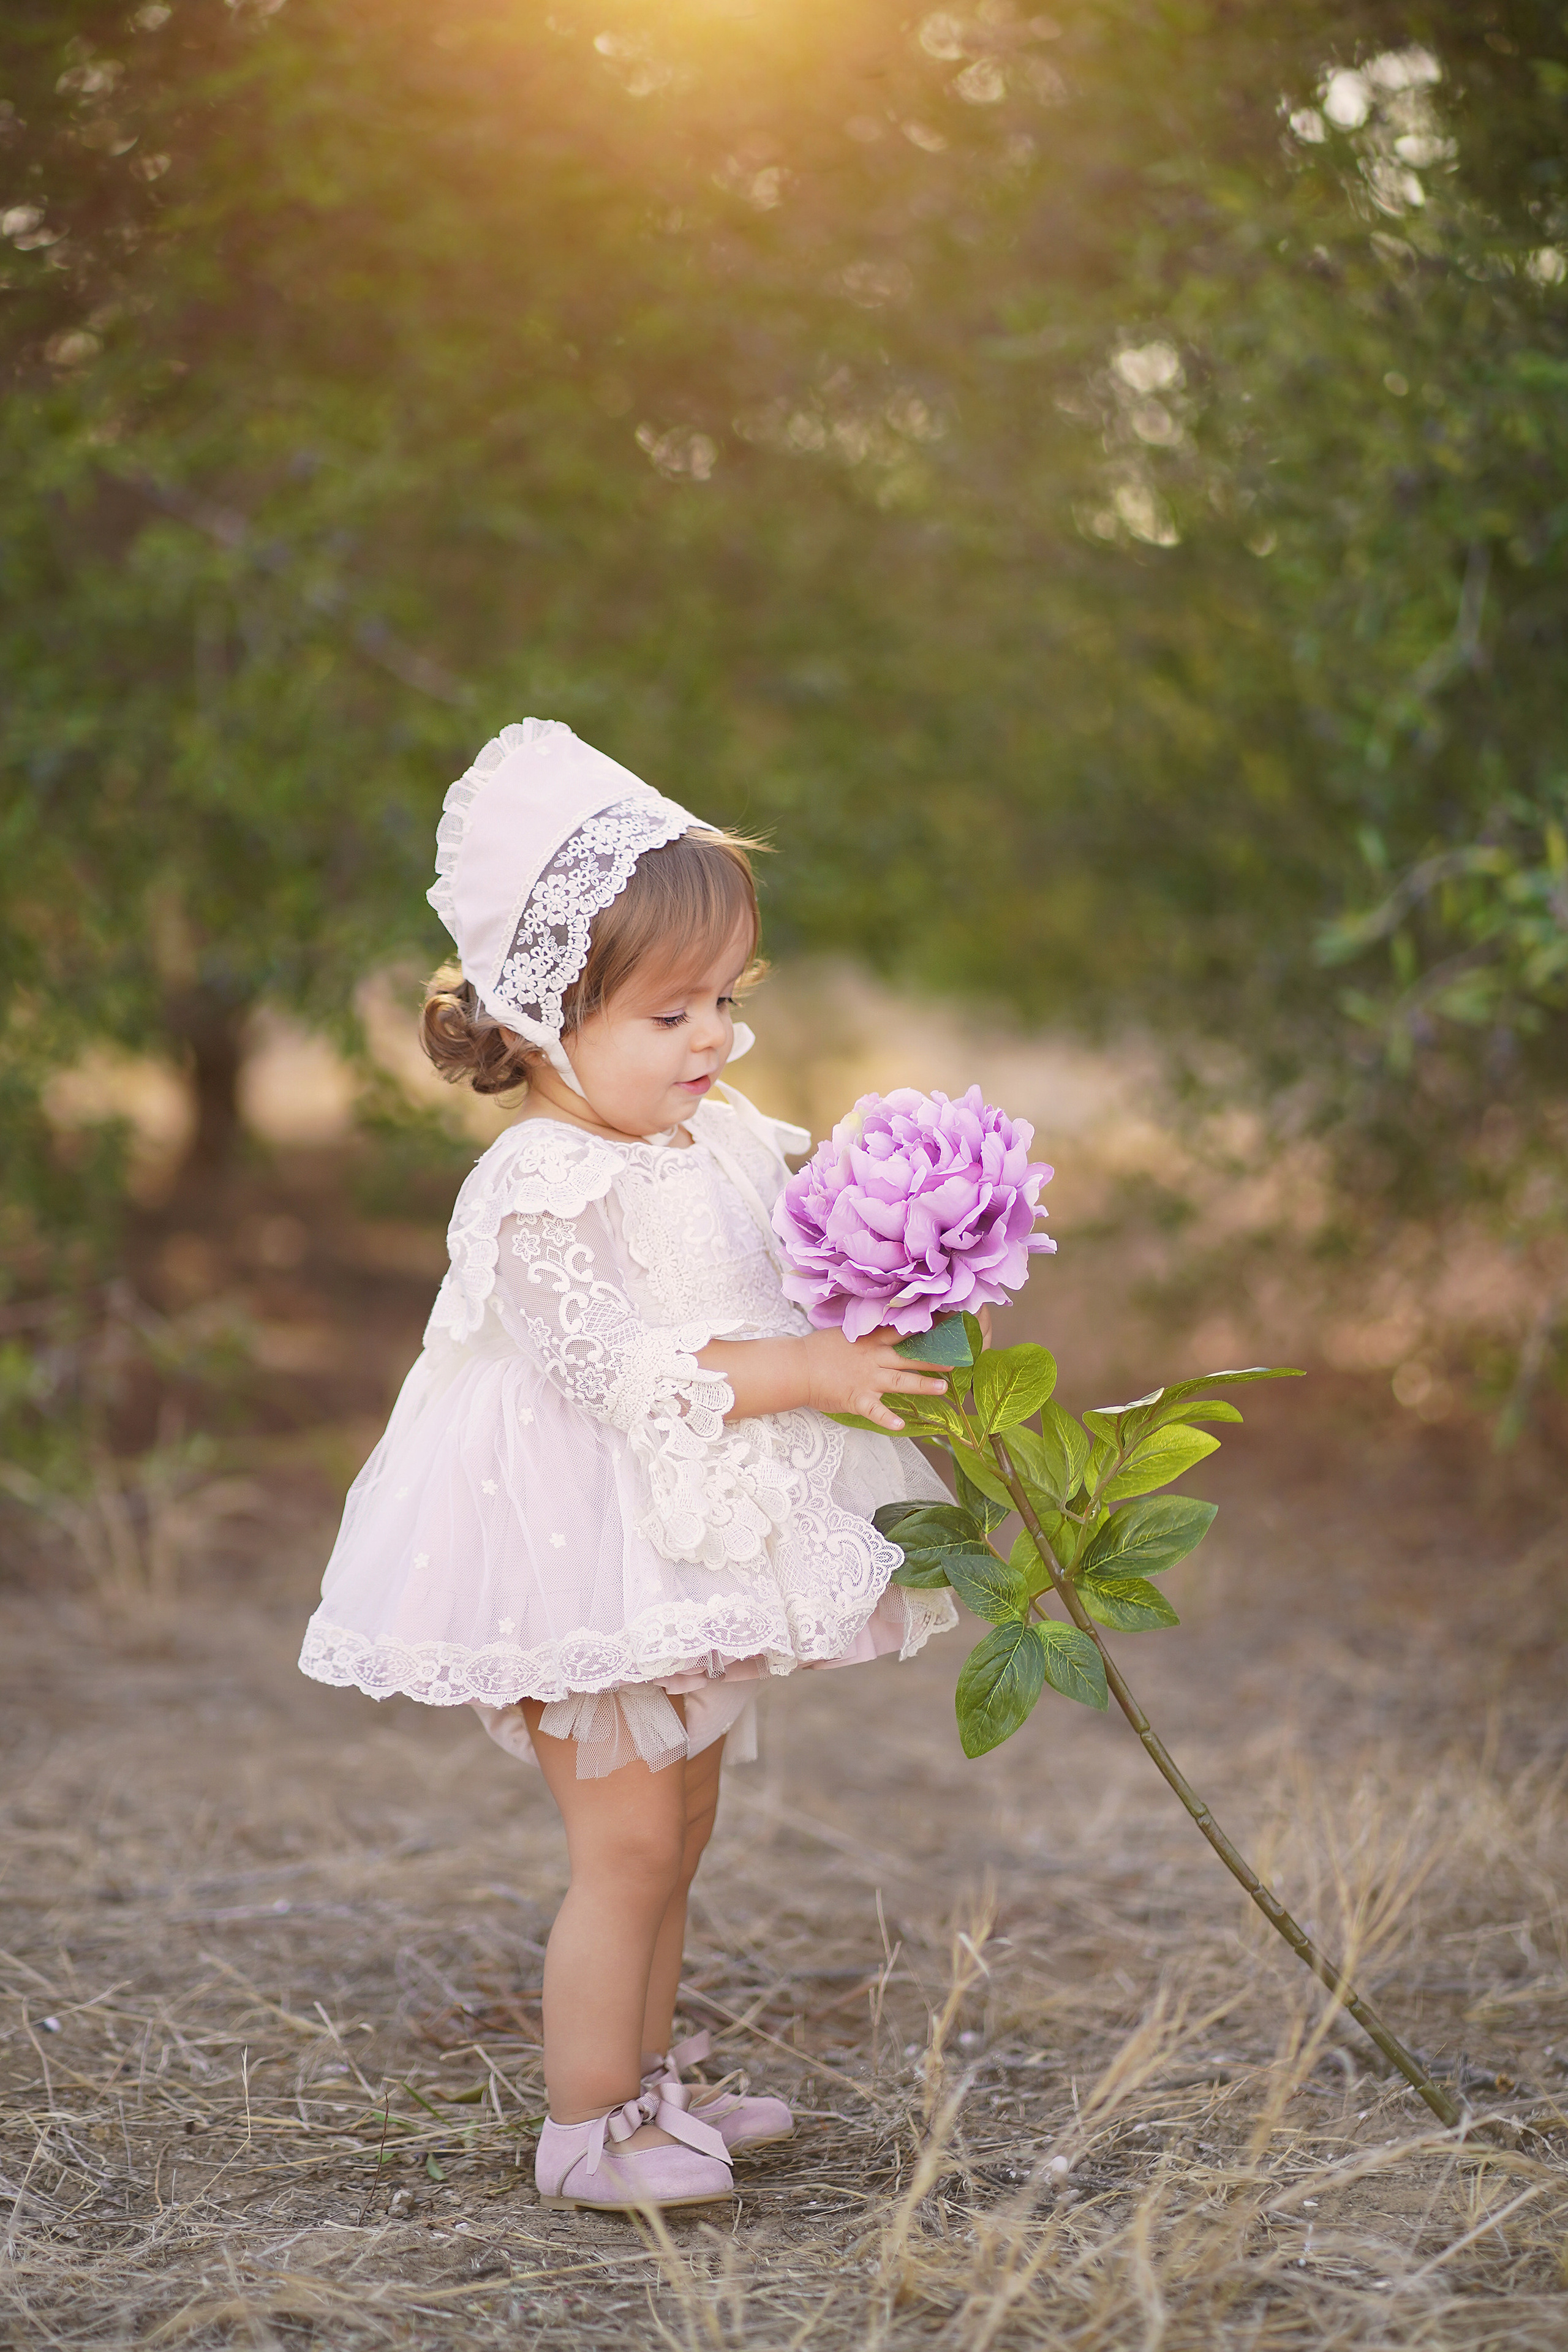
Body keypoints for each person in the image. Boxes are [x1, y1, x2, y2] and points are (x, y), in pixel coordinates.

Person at [300, 718, 958, 2212]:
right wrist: (809, 1373)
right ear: (545, 1018)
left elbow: (781, 1260)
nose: (713, 1039)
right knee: (625, 1843)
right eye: (671, 1015)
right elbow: (621, 1372)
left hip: (678, 1540)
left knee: (686, 1822)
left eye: (724, 1000)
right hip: (573, 1547)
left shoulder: (703, 1129)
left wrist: (892, 1255)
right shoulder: (537, 1182)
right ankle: (585, 2126)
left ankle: (654, 2081)